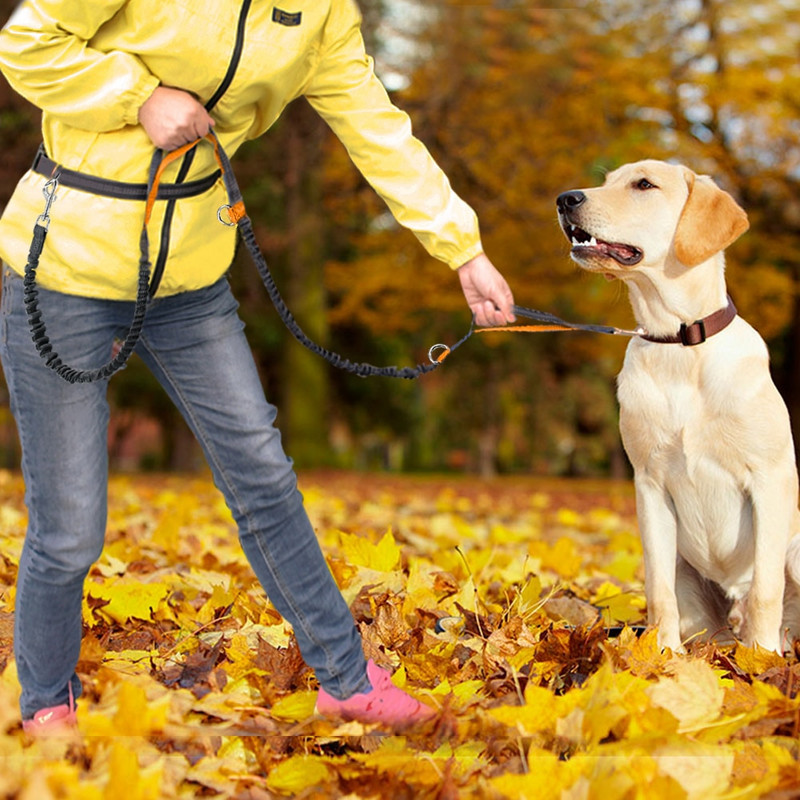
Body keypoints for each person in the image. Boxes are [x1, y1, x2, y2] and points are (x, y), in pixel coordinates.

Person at [0, 0, 516, 734]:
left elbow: (376, 127)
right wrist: (137, 96)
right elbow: (24, 44)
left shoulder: (323, 14)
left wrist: (462, 248)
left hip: (190, 283)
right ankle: (46, 706)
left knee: (264, 477)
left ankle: (344, 678)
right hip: (63, 268)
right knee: (71, 526)